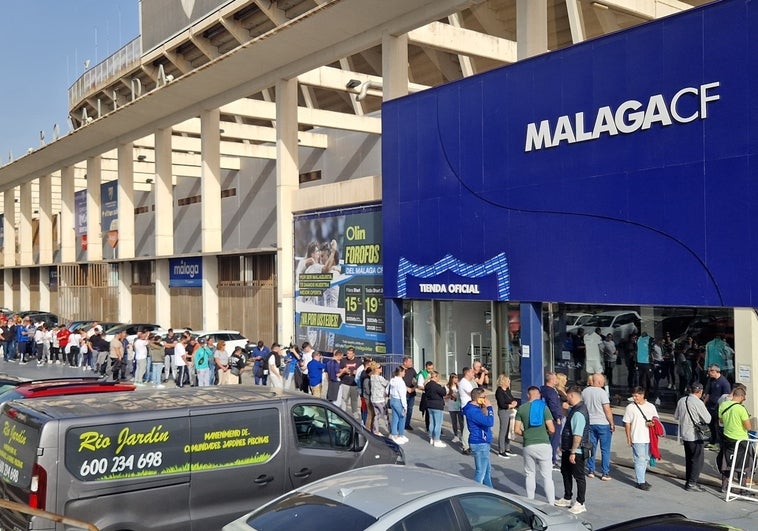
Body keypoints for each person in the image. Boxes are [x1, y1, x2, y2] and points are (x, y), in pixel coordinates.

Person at [515, 386, 556, 505]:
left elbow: (516, 430)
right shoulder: (544, 408)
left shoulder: (521, 409)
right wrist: (546, 433)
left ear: (528, 395)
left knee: (529, 474)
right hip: (544, 444)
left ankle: (530, 500)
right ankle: (551, 503)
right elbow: (552, 429)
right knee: (547, 476)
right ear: (539, 395)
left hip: (528, 445)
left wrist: (526, 434)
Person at [555, 386, 590, 515]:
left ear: (571, 396)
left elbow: (577, 435)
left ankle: (581, 502)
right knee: (565, 472)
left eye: (567, 396)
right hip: (568, 448)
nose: (566, 399)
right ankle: (567, 497)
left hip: (576, 450)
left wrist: (573, 452)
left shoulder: (579, 412)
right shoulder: (574, 409)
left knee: (579, 476)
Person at [673, 382, 711, 491]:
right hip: (695, 435)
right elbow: (708, 418)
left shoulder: (681, 400)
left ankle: (689, 481)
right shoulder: (698, 403)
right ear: (700, 391)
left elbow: (676, 416)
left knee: (689, 459)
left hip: (685, 434)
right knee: (697, 460)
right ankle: (692, 483)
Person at [623, 386, 659, 490]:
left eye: (636, 396)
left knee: (646, 459)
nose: (634, 398)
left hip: (649, 438)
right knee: (639, 459)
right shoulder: (630, 407)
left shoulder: (651, 406)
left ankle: (641, 478)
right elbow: (627, 423)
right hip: (637, 437)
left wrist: (652, 423)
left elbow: (656, 419)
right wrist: (628, 438)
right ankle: (640, 482)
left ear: (642, 395)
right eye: (633, 396)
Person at [718, 386, 752, 492]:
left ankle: (725, 486)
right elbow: (748, 427)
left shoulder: (723, 405)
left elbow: (721, 421)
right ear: (741, 396)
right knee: (744, 465)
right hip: (741, 441)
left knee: (727, 463)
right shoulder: (741, 409)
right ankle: (743, 489)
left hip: (727, 438)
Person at [581, 373, 615, 481]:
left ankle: (591, 470)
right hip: (603, 424)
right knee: (605, 449)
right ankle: (605, 473)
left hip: (590, 423)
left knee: (591, 447)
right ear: (600, 382)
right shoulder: (602, 393)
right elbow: (607, 409)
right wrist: (612, 423)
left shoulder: (585, 392)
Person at [462, 387, 495, 487]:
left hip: (482, 442)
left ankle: (490, 491)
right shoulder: (473, 411)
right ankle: (476, 489)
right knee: (481, 472)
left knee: (487, 471)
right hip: (480, 442)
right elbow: (489, 422)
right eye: (483, 397)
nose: (485, 399)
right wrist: (489, 408)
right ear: (477, 398)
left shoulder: (473, 407)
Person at [704, 365, 731, 450]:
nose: (709, 373)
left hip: (718, 408)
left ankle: (719, 443)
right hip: (710, 405)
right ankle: (713, 439)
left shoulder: (724, 383)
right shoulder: (711, 380)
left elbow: (727, 397)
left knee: (718, 426)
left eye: (711, 371)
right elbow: (708, 393)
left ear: (716, 371)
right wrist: (704, 403)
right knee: (711, 424)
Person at [541, 372, 563, 467]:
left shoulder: (542, 389)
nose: (556, 380)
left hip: (545, 417)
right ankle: (552, 461)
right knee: (554, 440)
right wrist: (557, 417)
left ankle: (546, 458)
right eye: (555, 379)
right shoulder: (551, 392)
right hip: (553, 419)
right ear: (551, 380)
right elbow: (553, 405)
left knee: (547, 440)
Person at [496, 374, 518, 458]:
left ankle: (507, 448)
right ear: (503, 382)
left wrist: (514, 402)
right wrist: (510, 405)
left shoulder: (507, 390)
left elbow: (511, 398)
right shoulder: (499, 391)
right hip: (503, 411)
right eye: (508, 381)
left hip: (510, 411)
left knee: (509, 429)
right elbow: (501, 404)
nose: (509, 382)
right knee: (503, 430)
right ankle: (501, 450)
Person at [424, 371, 447, 448]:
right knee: (438, 423)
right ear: (435, 376)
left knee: (432, 422)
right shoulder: (436, 386)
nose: (439, 378)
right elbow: (443, 393)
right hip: (437, 405)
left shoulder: (427, 385)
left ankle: (431, 438)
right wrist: (444, 388)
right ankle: (437, 440)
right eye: (438, 377)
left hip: (429, 405)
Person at [388, 366, 408, 445]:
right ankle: (400, 434)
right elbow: (402, 394)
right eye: (403, 372)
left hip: (392, 400)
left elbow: (387, 389)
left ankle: (394, 434)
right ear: (400, 372)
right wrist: (405, 406)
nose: (404, 373)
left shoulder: (392, 380)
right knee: (402, 417)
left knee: (395, 418)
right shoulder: (401, 382)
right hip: (398, 400)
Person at [338, 347, 360, 417]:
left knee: (354, 400)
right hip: (345, 382)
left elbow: (362, 371)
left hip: (354, 384)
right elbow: (339, 370)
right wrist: (344, 371)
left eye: (350, 354)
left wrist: (357, 372)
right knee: (344, 399)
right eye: (347, 353)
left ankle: (355, 415)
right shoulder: (343, 360)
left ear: (354, 354)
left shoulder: (358, 361)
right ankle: (343, 414)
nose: (348, 355)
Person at [458, 366, 475, 455]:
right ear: (467, 373)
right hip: (467, 407)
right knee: (467, 427)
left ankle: (469, 445)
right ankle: (465, 446)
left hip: (470, 406)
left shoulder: (468, 382)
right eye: (472, 372)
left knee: (470, 427)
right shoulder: (464, 382)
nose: (473, 374)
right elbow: (473, 393)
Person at [369, 362, 389, 436]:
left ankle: (376, 430)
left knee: (377, 415)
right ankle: (390, 430)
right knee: (385, 415)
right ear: (376, 369)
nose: (381, 368)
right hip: (380, 399)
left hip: (374, 399)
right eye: (379, 367)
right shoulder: (380, 378)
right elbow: (387, 383)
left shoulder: (372, 377)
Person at [445, 373, 463, 444]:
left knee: (461, 421)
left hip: (459, 405)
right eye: (455, 378)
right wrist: (450, 395)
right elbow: (444, 397)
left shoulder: (459, 386)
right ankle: (455, 435)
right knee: (454, 421)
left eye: (457, 378)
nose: (456, 379)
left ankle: (462, 435)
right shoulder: (447, 386)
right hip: (452, 406)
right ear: (451, 378)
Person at [401, 357, 418, 431]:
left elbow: (417, 379)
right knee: (403, 409)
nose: (411, 363)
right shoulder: (399, 369)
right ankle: (401, 424)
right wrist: (406, 388)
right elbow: (398, 380)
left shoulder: (412, 370)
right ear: (405, 362)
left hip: (411, 393)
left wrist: (414, 387)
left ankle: (407, 424)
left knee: (410, 409)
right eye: (410, 362)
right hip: (403, 394)